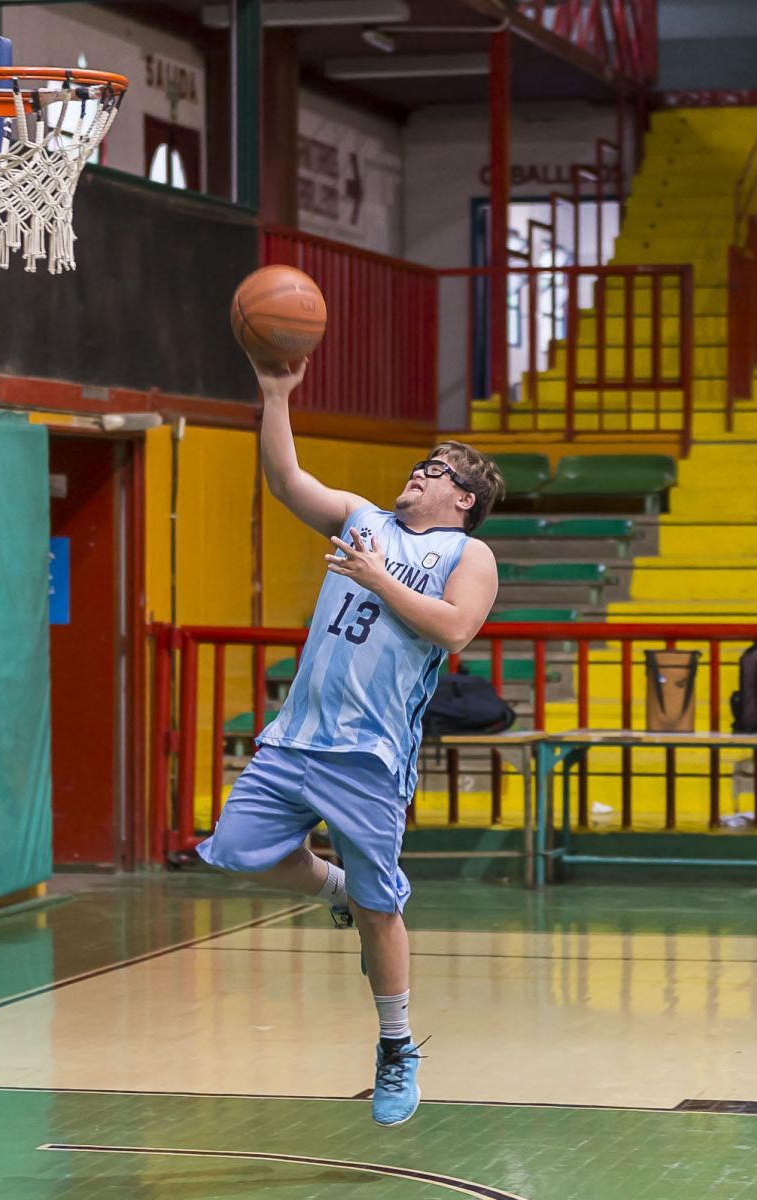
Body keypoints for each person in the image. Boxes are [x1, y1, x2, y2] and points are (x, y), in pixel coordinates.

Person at [197, 355, 504, 1127]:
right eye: (420, 463)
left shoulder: (469, 556)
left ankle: (396, 1046)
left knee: (381, 908)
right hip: (297, 738)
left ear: (462, 499)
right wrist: (274, 397)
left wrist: (380, 581)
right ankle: (332, 889)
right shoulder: (363, 518)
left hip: (370, 755)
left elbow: (457, 629)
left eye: (435, 471)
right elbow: (286, 481)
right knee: (235, 851)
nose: (419, 473)